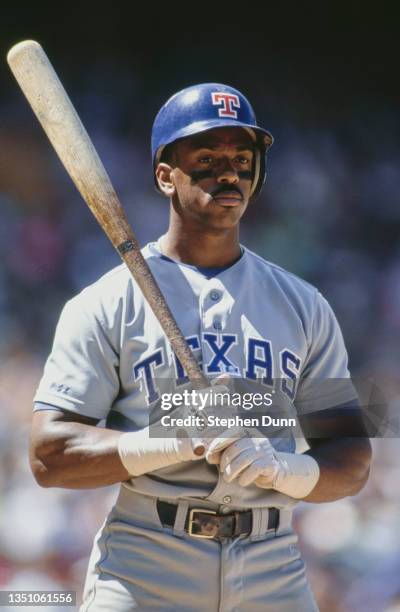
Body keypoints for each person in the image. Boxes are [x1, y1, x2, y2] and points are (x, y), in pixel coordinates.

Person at [30, 83, 372, 611]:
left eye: (242, 157)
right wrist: (170, 441)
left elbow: (351, 460)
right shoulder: (105, 301)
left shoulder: (305, 305)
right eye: (207, 157)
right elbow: (49, 455)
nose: (229, 172)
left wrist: (283, 469)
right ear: (166, 175)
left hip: (272, 563)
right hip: (146, 564)